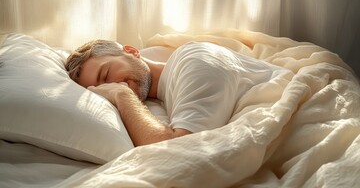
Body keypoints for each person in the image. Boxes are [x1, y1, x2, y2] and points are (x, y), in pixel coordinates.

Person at [65, 40, 283, 146]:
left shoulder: (195, 63)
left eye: (106, 73)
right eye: (102, 88)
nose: (112, 85)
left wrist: (123, 96)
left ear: (131, 52)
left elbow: (178, 149)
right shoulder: (164, 95)